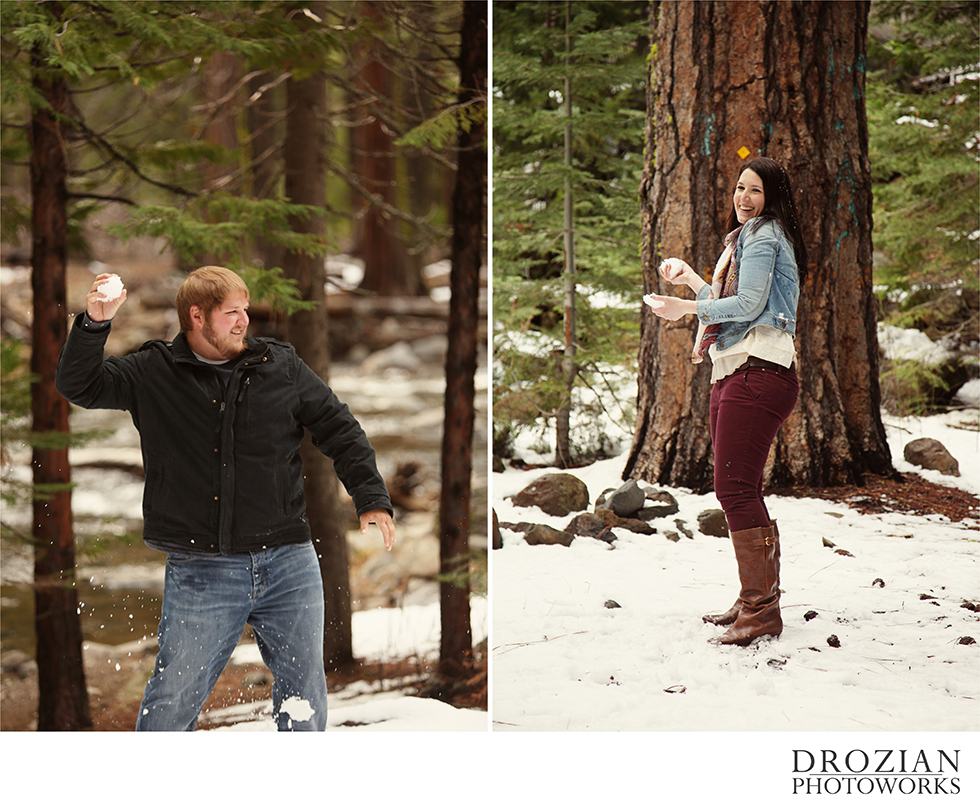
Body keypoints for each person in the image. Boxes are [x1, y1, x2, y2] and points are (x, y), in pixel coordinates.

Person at [56, 265, 396, 730]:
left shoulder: (280, 366)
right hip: (203, 569)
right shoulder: (153, 371)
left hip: (289, 562)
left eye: (245, 310)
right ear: (197, 316)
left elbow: (339, 429)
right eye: (231, 312)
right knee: (174, 696)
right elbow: (81, 385)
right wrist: (95, 323)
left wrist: (370, 497)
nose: (243, 321)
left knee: (304, 698)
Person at [647, 157, 809, 647]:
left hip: (758, 371)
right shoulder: (742, 240)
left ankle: (761, 612)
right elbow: (732, 302)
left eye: (755, 190)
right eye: (740, 187)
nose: (744, 198)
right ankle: (754, 600)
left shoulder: (763, 235)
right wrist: (693, 281)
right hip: (738, 368)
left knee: (735, 490)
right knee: (738, 489)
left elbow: (750, 306)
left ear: (772, 197)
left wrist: (688, 307)